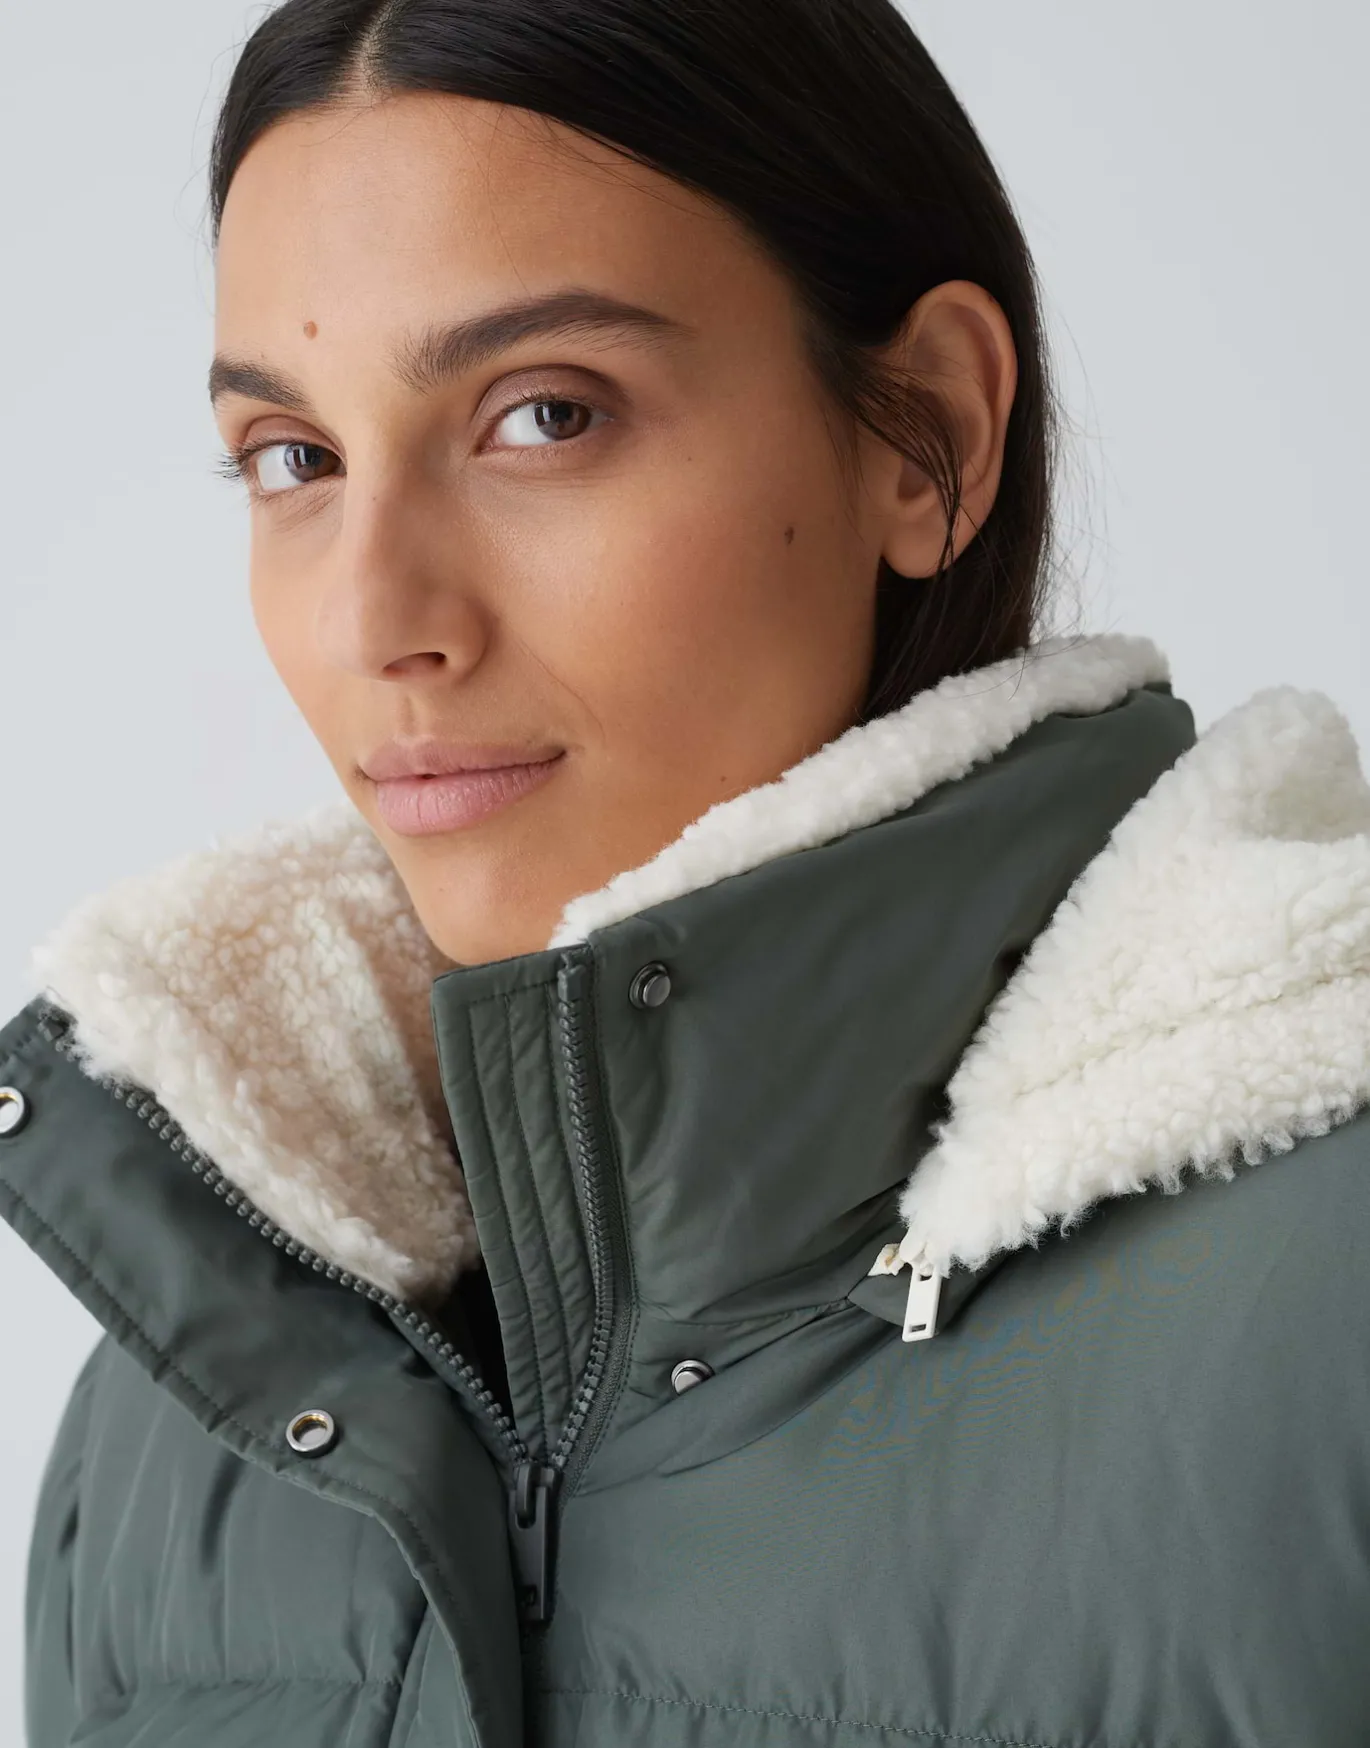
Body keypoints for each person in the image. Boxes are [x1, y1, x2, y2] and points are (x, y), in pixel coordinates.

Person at [2, 0, 1368, 1742]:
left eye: (544, 415)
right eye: (296, 459)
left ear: (928, 436)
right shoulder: (189, 1406)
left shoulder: (1327, 1312)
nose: (375, 619)